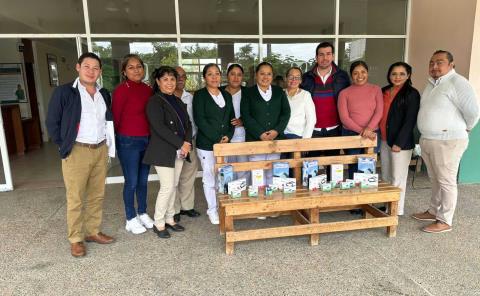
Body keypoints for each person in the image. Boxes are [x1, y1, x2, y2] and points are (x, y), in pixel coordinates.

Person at [46, 52, 115, 257]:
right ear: (78, 67)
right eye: (87, 66)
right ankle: (76, 238)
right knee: (75, 197)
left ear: (100, 72)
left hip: (99, 149)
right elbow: (52, 122)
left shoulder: (104, 93)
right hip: (77, 151)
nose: (91, 71)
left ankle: (92, 231)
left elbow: (107, 122)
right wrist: (63, 145)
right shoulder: (65, 92)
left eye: (95, 68)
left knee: (97, 195)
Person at [412, 50, 479, 233]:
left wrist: (465, 128)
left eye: (439, 62)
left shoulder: (458, 83)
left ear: (451, 65)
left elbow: (473, 112)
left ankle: (444, 220)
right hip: (429, 139)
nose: (434, 66)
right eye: (431, 62)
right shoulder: (432, 84)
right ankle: (434, 210)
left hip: (448, 141)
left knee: (446, 181)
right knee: (435, 179)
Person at [143, 66, 192, 239]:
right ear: (158, 82)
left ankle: (170, 218)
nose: (170, 83)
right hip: (163, 151)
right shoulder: (154, 101)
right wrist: (181, 143)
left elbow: (188, 124)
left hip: (179, 150)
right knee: (167, 186)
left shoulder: (177, 100)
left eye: (172, 79)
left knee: (174, 185)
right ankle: (159, 222)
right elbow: (160, 128)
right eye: (165, 79)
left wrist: (187, 142)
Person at [112, 54, 154, 235]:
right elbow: (115, 118)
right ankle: (130, 217)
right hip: (128, 141)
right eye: (131, 67)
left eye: (139, 66)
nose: (136, 70)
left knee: (143, 181)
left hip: (147, 140)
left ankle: (142, 212)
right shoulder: (121, 90)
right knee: (132, 181)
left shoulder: (147, 89)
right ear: (124, 71)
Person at [193, 63, 235, 225]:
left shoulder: (226, 95)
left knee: (224, 177)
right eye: (210, 74)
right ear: (204, 77)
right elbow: (200, 120)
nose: (214, 77)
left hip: (225, 144)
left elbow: (232, 119)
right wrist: (217, 139)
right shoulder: (200, 95)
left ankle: (223, 206)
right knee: (210, 178)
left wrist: (228, 136)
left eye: (217, 73)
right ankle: (212, 210)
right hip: (207, 145)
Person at [300, 42, 350, 177]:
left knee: (334, 171)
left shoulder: (342, 76)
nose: (325, 58)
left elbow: (349, 100)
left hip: (334, 129)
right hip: (312, 130)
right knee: (310, 170)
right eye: (321, 54)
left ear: (333, 56)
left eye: (328, 54)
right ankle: (311, 196)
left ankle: (332, 196)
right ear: (316, 57)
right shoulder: (306, 77)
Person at [379, 62, 420, 216]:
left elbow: (410, 120)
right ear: (389, 75)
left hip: (399, 144)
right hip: (384, 139)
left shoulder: (412, 94)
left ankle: (396, 209)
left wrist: (399, 143)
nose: (397, 77)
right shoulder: (383, 91)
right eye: (394, 73)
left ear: (408, 75)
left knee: (398, 177)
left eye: (402, 74)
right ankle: (387, 204)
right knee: (386, 175)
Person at [241, 61, 291, 186]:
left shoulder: (279, 92)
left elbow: (286, 113)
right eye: (262, 73)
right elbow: (246, 116)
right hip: (256, 141)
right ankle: (258, 205)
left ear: (272, 76)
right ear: (256, 75)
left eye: (269, 74)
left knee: (273, 175)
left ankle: (272, 204)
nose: (265, 77)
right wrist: (260, 133)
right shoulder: (248, 93)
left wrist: (276, 131)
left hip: (275, 141)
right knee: (257, 176)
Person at [338, 61, 383, 179]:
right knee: (354, 165)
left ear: (367, 73)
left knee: (369, 166)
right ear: (351, 75)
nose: (360, 76)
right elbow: (344, 118)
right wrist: (363, 131)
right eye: (355, 73)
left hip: (373, 133)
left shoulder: (376, 89)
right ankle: (354, 193)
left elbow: (379, 111)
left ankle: (366, 194)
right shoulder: (344, 93)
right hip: (351, 133)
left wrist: (368, 129)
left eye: (363, 72)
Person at [173, 66, 201, 223]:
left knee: (189, 175)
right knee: (174, 178)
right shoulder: (165, 97)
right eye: (177, 76)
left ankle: (187, 206)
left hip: (191, 142)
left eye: (184, 76)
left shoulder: (190, 97)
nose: (181, 79)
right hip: (174, 144)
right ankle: (175, 209)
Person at [223, 63, 250, 181]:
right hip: (224, 138)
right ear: (227, 75)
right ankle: (229, 198)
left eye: (239, 75)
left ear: (242, 77)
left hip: (242, 137)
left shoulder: (248, 93)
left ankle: (243, 198)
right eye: (232, 74)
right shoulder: (219, 92)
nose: (235, 77)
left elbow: (255, 113)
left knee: (243, 171)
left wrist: (243, 121)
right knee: (227, 171)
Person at [284, 66, 316, 139]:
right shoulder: (280, 94)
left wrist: (305, 140)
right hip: (281, 135)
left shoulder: (305, 95)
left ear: (301, 80)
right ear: (286, 78)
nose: (293, 80)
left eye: (297, 77)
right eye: (291, 77)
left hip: (298, 136)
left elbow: (311, 119)